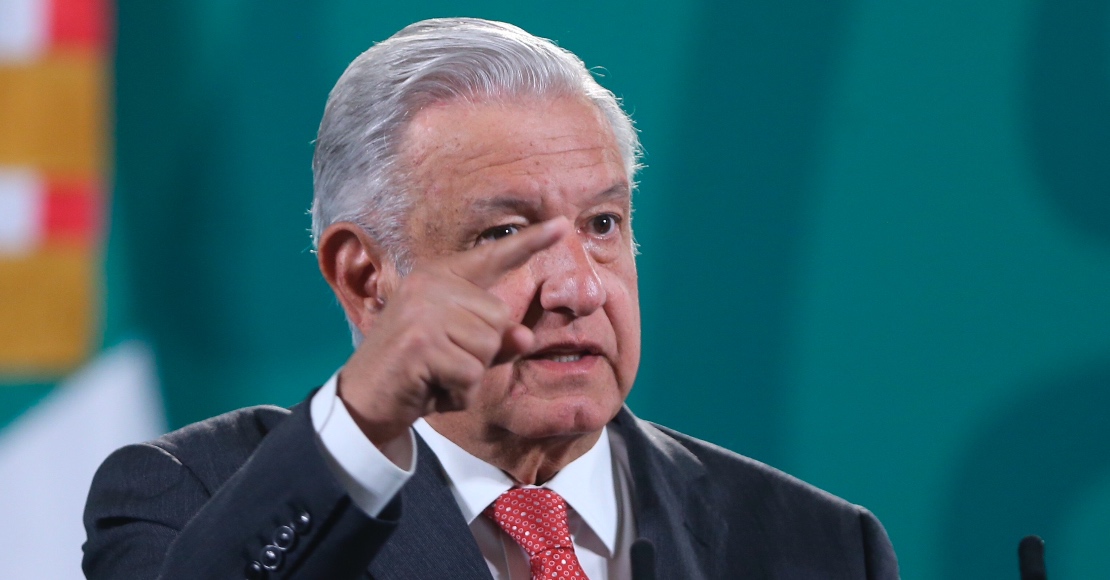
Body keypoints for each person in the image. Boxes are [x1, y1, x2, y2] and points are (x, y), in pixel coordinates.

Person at [82, 17, 898, 580]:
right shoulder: (187, 497)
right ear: (366, 278)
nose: (578, 288)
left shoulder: (819, 547)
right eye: (506, 234)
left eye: (603, 224)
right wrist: (362, 422)